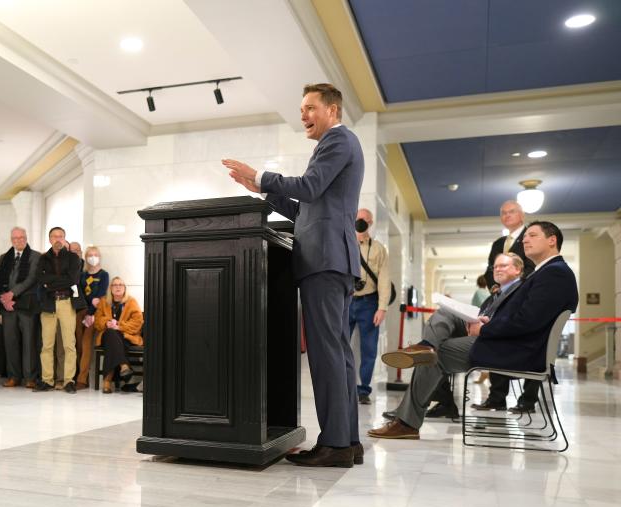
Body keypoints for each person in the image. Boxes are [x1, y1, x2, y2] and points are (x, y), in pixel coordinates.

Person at [224, 82, 363, 468]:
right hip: (331, 258)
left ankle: (335, 444)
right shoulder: (337, 145)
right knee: (337, 355)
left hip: (325, 260)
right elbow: (307, 210)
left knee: (327, 356)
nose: (303, 114)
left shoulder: (338, 141)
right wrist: (263, 191)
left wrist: (263, 175)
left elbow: (309, 186)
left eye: (309, 107)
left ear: (332, 110)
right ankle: (347, 442)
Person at [370, 222, 577, 439]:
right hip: (511, 342)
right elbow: (523, 316)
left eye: (532, 235)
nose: (524, 240)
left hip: (518, 350)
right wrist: (487, 321)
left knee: (436, 356)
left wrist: (485, 329)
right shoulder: (546, 272)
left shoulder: (555, 274)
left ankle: (407, 423)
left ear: (552, 240)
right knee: (446, 313)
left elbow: (528, 320)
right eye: (525, 236)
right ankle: (426, 346)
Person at [384, 252, 526, 421]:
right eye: (495, 267)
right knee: (443, 315)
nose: (497, 269)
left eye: (503, 266)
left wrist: (486, 325)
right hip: (480, 332)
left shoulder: (523, 290)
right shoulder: (495, 294)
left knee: (435, 354)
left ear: (517, 269)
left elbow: (517, 321)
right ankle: (426, 346)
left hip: (496, 343)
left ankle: (409, 417)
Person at [475, 200, 540, 413]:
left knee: (535, 339)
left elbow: (532, 267)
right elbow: (489, 268)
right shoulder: (499, 242)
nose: (506, 215)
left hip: (524, 297)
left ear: (522, 215)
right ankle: (496, 398)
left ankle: (528, 400)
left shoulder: (529, 239)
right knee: (497, 339)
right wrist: (495, 285)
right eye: (503, 213)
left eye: (511, 212)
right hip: (500, 298)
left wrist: (517, 287)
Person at [349, 208, 390, 405]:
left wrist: (382, 307)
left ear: (371, 223)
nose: (361, 222)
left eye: (365, 220)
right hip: (345, 301)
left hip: (369, 303)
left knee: (369, 349)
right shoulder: (344, 242)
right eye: (358, 219)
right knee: (338, 346)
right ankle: (340, 387)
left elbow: (384, 278)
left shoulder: (378, 249)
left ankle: (363, 390)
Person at [33, 226, 80, 394]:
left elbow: (72, 279)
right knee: (47, 345)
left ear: (64, 239)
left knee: (69, 344)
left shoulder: (74, 258)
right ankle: (47, 380)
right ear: (50, 239)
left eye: (61, 236)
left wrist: (50, 283)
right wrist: (59, 280)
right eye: (54, 236)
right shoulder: (43, 259)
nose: (57, 239)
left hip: (67, 303)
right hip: (48, 304)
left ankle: (69, 380)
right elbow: (40, 278)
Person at [0, 227, 41, 388]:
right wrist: (5, 298)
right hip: (8, 307)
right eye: (15, 238)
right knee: (10, 341)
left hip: (26, 305)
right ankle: (13, 376)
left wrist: (12, 294)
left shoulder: (36, 256)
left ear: (26, 238)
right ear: (11, 240)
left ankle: (30, 378)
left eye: (21, 237)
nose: (18, 240)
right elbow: (0, 279)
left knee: (29, 342)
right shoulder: (4, 257)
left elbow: (31, 279)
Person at [93, 277, 142, 393]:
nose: (118, 287)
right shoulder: (104, 302)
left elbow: (137, 322)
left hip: (125, 336)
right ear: (111, 288)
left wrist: (119, 326)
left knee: (112, 342)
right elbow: (97, 321)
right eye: (115, 285)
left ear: (125, 288)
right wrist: (107, 323)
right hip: (107, 336)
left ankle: (107, 382)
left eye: (121, 285)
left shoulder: (131, 302)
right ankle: (123, 365)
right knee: (110, 333)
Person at [76, 246, 108, 389]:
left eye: (95, 255)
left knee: (86, 344)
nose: (93, 257)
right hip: (80, 311)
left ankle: (82, 379)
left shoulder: (103, 275)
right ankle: (80, 375)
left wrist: (90, 312)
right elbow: (82, 294)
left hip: (94, 314)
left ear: (99, 257)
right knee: (78, 344)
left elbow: (99, 296)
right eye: (90, 255)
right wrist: (89, 304)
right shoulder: (82, 275)